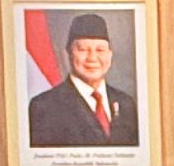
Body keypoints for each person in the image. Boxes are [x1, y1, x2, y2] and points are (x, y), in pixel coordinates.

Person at [26, 13, 140, 148]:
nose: (92, 58)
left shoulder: (126, 103)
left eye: (100, 50)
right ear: (68, 53)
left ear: (110, 55)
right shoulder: (44, 106)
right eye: (83, 49)